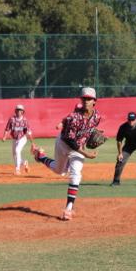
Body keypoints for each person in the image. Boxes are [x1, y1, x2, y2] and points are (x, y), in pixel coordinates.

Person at [32, 87, 101, 221]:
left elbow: (90, 127)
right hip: (64, 144)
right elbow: (70, 141)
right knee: (59, 171)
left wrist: (95, 132)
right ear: (81, 100)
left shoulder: (97, 117)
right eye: (84, 98)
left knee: (76, 175)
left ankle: (68, 208)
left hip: (79, 147)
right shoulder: (74, 117)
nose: (86, 101)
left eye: (89, 99)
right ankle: (40, 157)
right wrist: (86, 154)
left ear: (94, 101)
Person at [2, 104, 35, 175]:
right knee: (14, 155)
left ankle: (17, 170)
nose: (18, 111)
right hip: (14, 139)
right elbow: (7, 129)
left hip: (22, 139)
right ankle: (24, 163)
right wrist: (4, 136)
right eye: (17, 110)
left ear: (23, 112)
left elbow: (29, 132)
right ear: (15, 111)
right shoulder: (11, 119)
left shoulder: (25, 120)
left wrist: (32, 143)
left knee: (17, 151)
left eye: (20, 110)